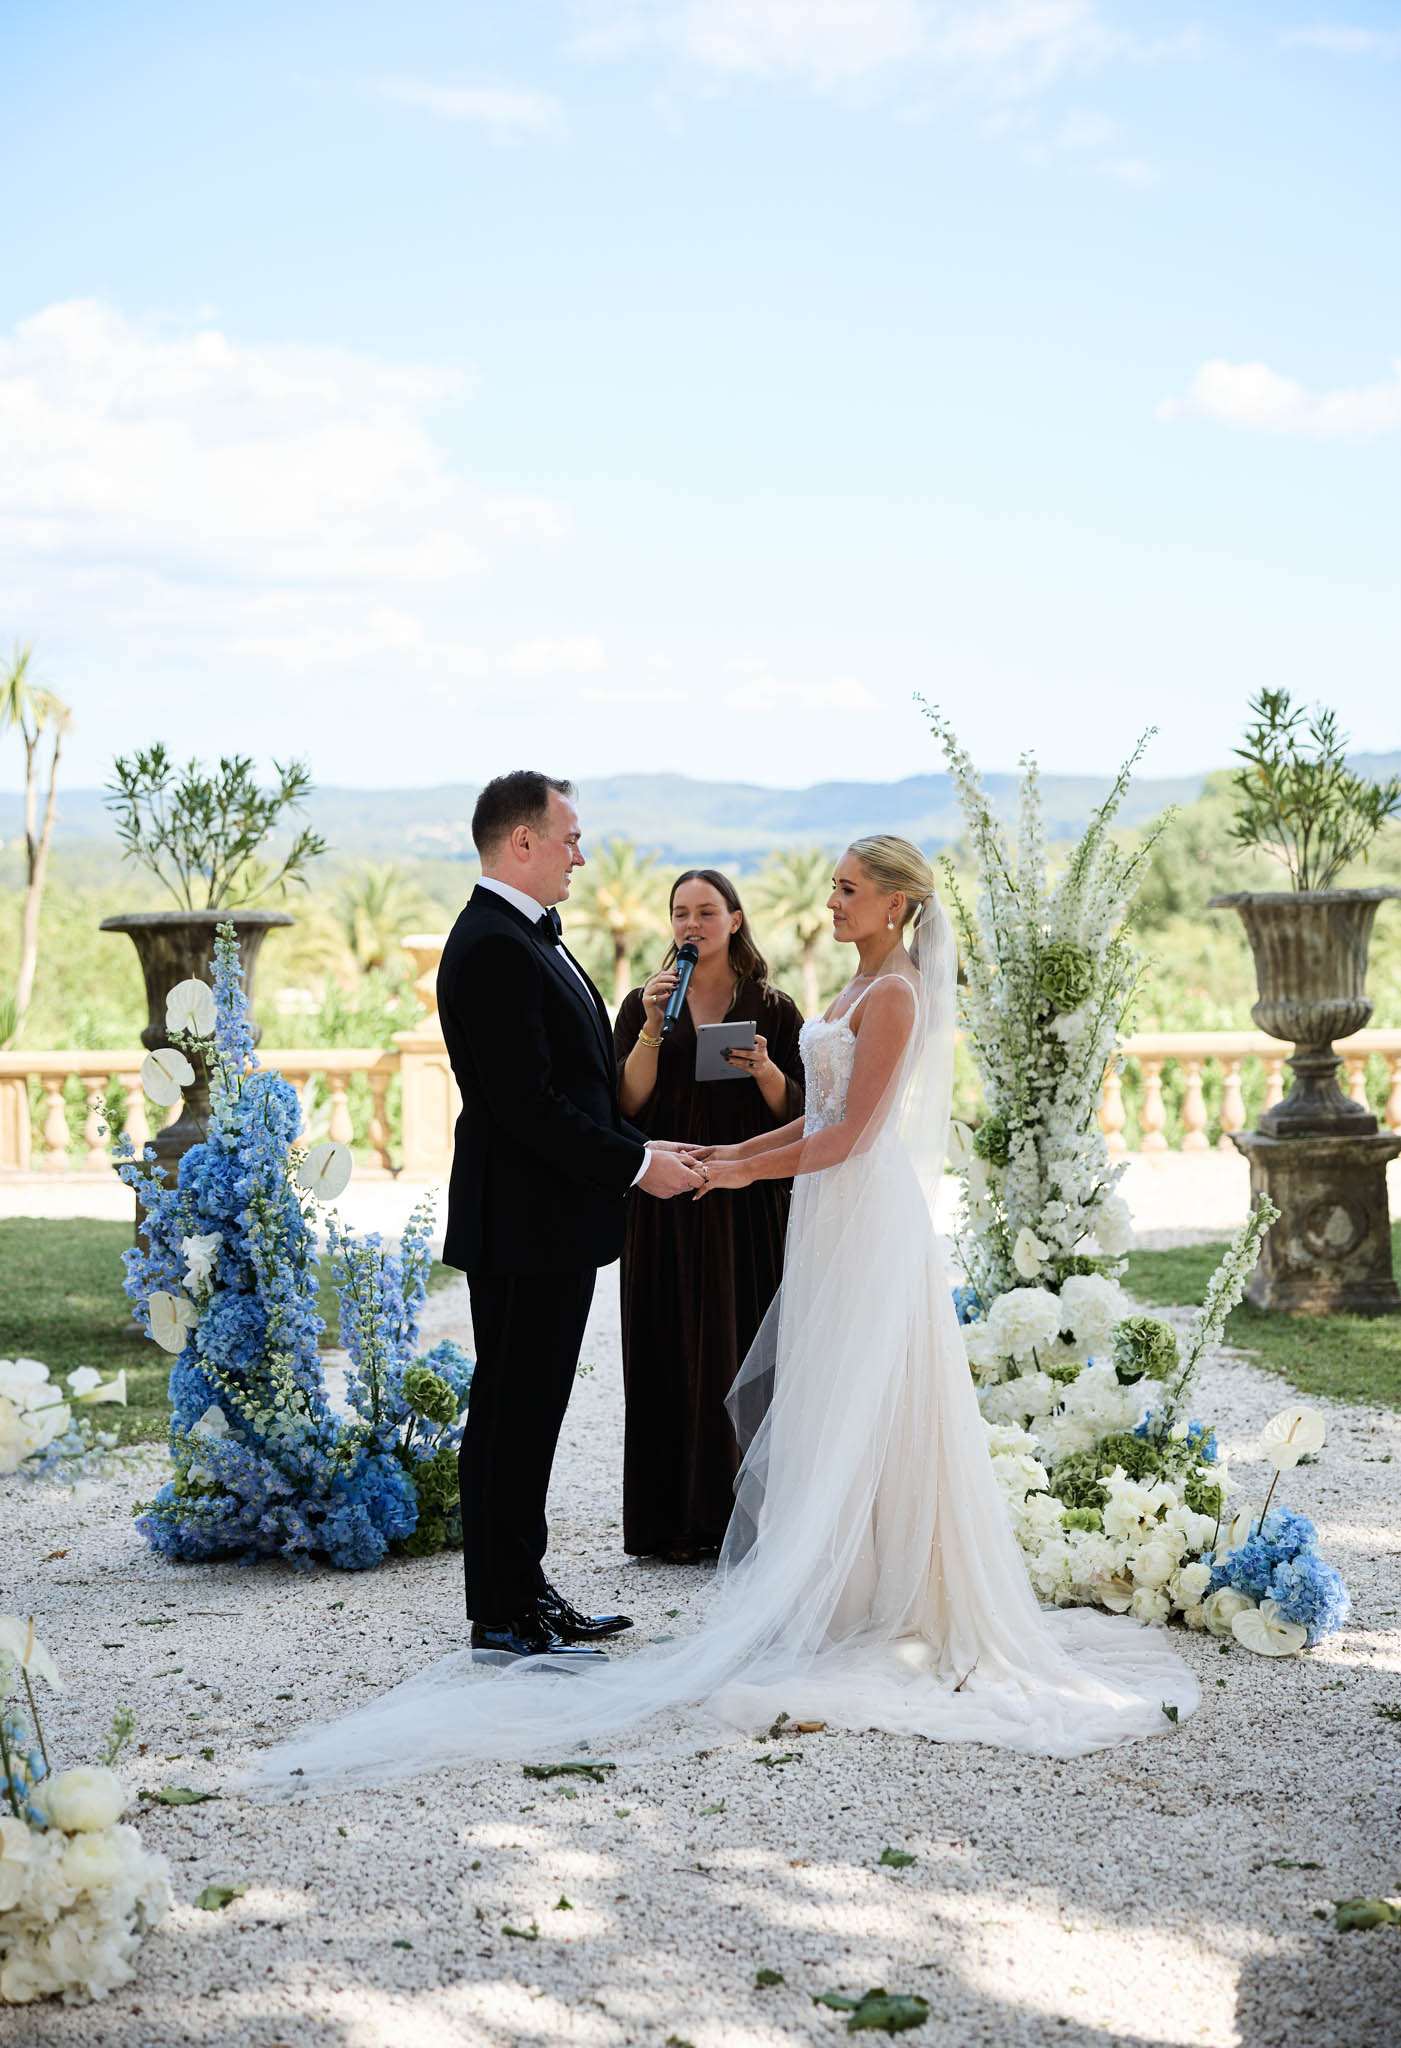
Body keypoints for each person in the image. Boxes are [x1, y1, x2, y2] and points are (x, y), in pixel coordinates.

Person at [250, 833, 1198, 1796]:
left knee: (877, 1395)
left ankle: (893, 1591)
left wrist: (732, 1166)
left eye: (847, 890)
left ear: (897, 904)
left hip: (864, 1219)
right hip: (825, 1219)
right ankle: (847, 1583)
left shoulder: (898, 994)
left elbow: (850, 1137)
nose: (831, 903)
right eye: (832, 887)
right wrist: (725, 1161)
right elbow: (814, 1121)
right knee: (829, 1395)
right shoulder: (852, 990)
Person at [434, 770, 705, 1665]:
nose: (581, 855)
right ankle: (501, 1615)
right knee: (510, 1414)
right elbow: (526, 1105)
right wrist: (636, 1165)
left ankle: (525, 1590)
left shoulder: (526, 936)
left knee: (532, 1412)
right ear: (522, 842)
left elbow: (576, 1082)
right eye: (569, 838)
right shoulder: (490, 946)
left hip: (548, 1222)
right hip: (521, 1225)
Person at [614, 870, 804, 1561]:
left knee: (741, 1350)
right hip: (664, 1200)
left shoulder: (775, 1009)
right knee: (663, 1349)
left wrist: (764, 1072)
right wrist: (648, 1030)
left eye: (704, 912)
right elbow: (626, 1105)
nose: (690, 925)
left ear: (734, 918)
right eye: (679, 914)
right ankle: (669, 1524)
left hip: (744, 1203)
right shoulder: (646, 1002)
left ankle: (744, 1523)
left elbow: (801, 1112)